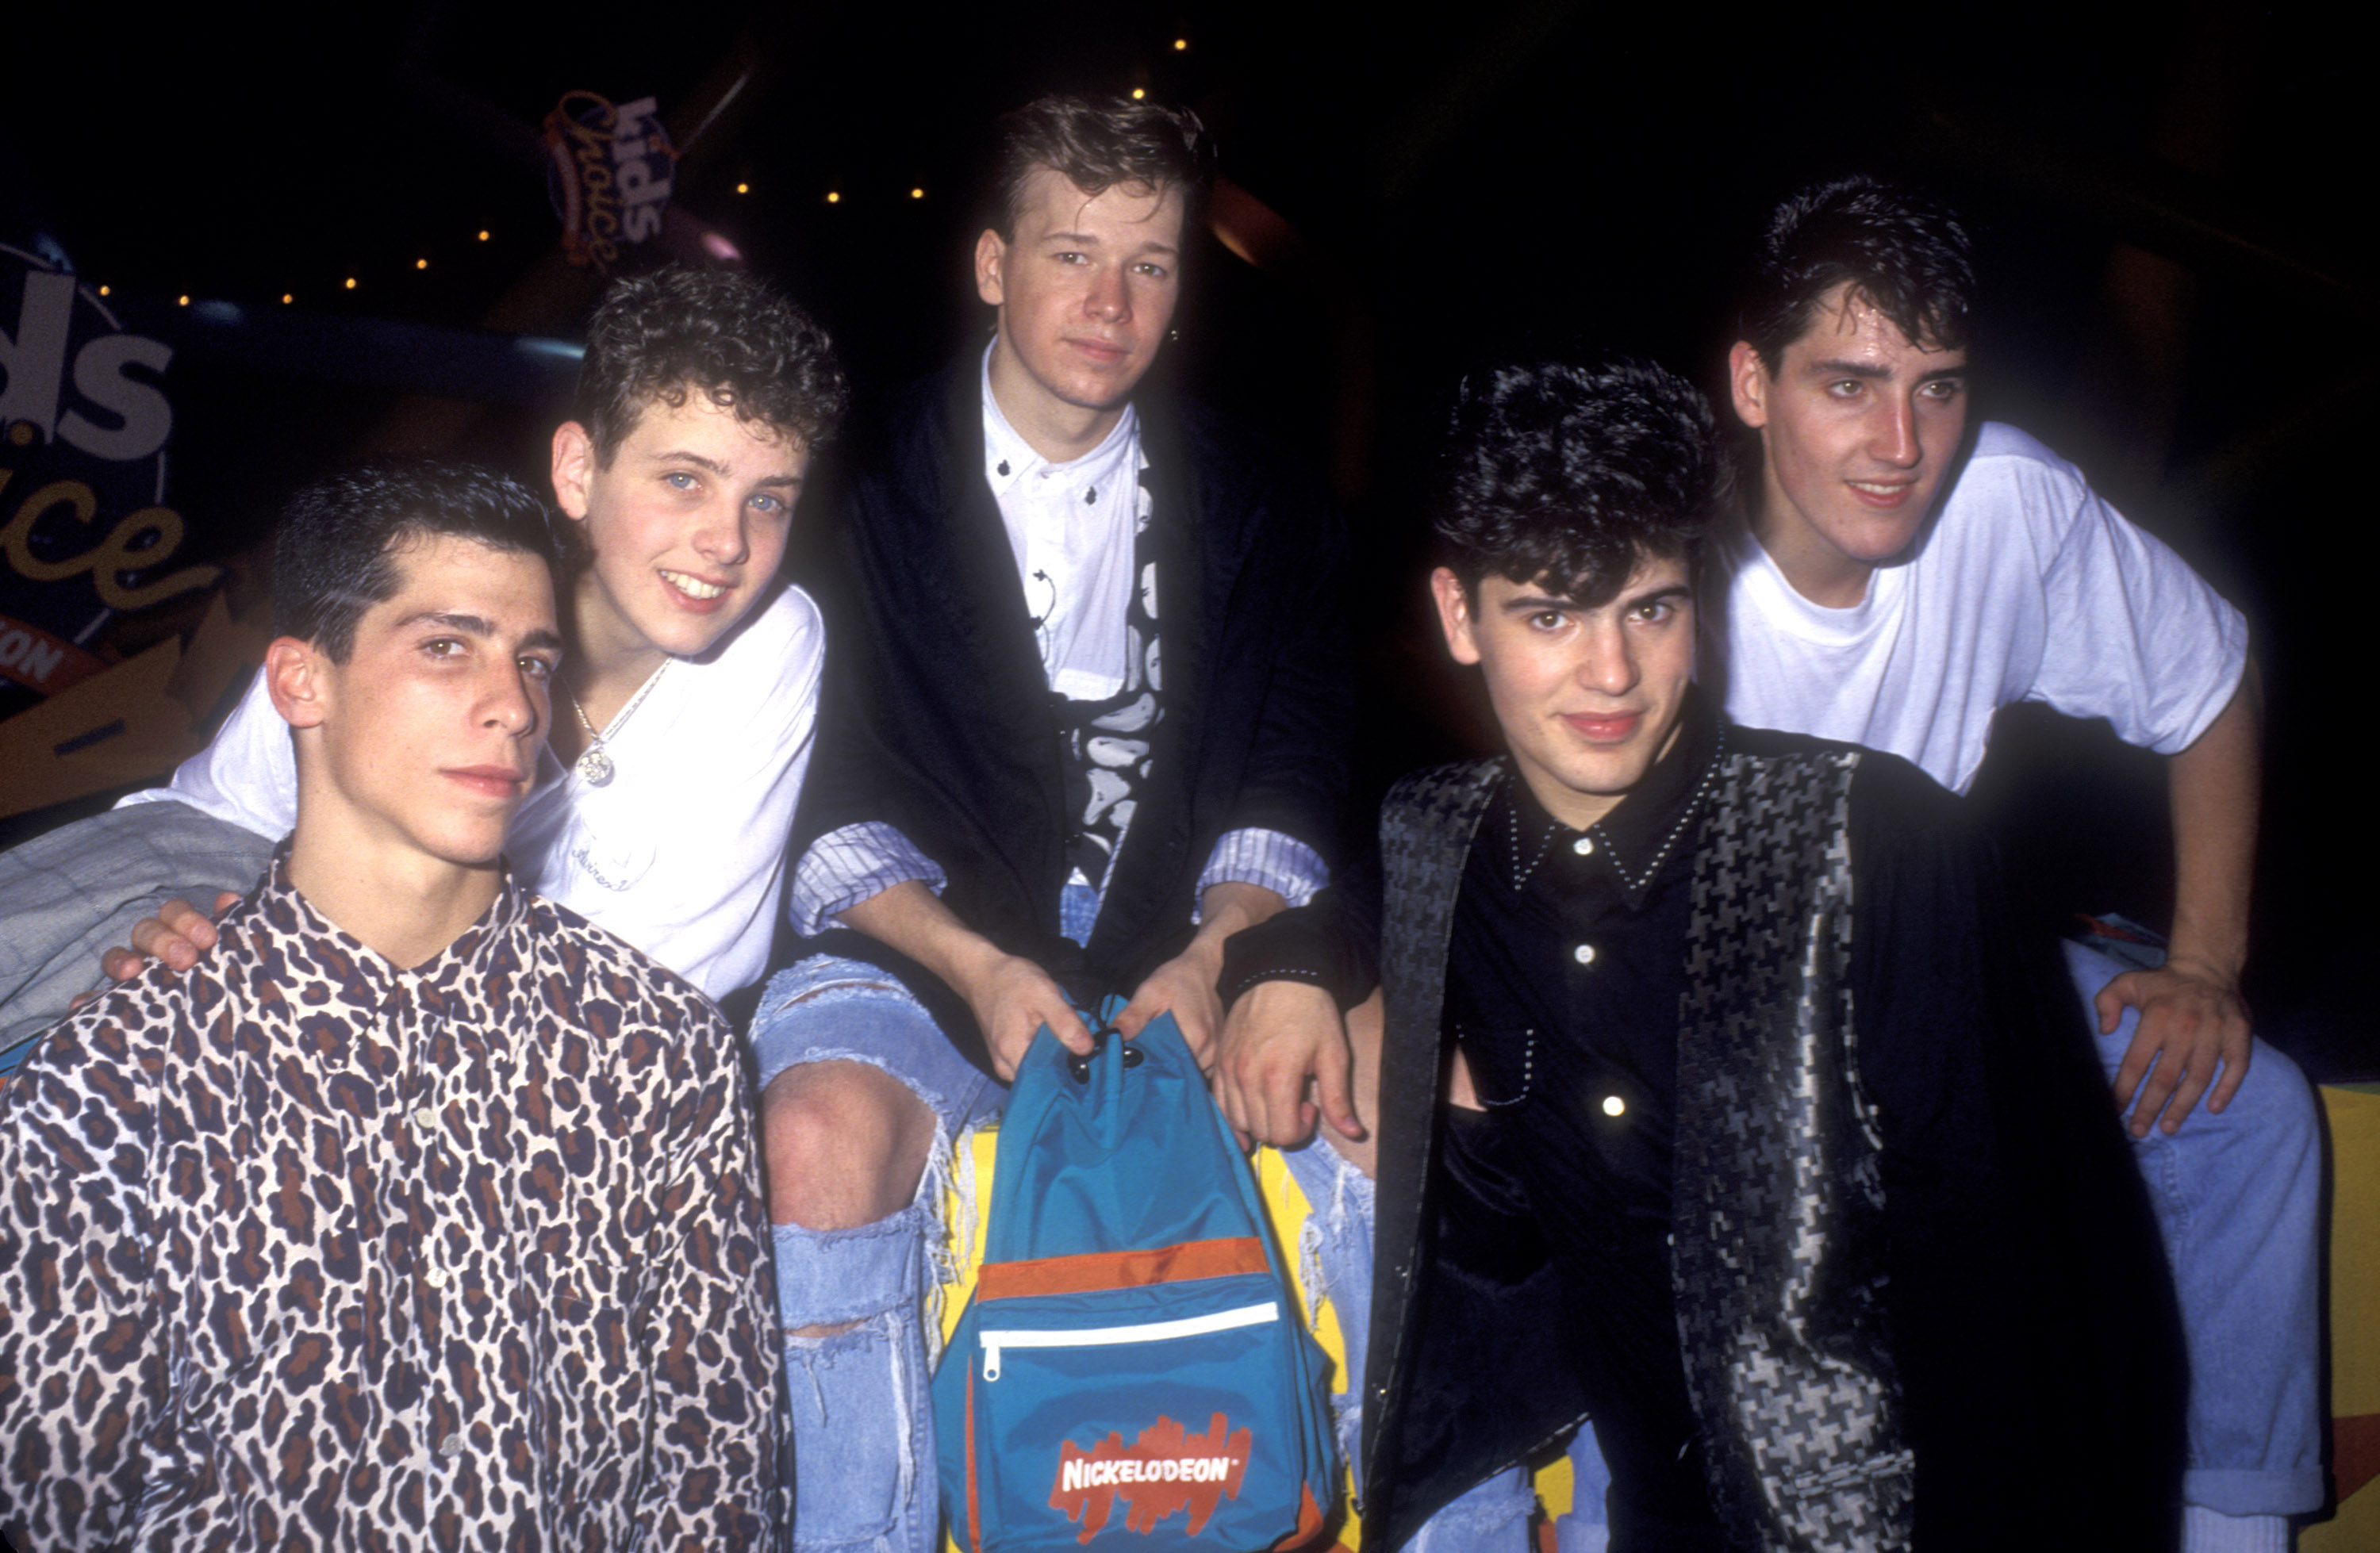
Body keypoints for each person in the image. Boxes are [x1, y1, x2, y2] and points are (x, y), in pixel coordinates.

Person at [1226, 360, 2182, 1551]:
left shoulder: (1880, 845)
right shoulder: (1441, 842)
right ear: (1459, 617)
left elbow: (2021, 1289)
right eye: (1550, 615)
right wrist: (1286, 963)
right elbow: (1363, 889)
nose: (1612, 673)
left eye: (1651, 607)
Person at [749, 94, 1348, 1553]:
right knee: (819, 1133)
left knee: (1367, 1094)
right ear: (990, 265)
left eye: (1148, 264)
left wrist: (1220, 954)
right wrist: (977, 966)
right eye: (1071, 253)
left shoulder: (1259, 493)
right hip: (917, 947)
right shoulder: (855, 480)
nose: (1109, 301)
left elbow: (1295, 759)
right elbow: (827, 800)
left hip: (1176, 952)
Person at [0, 458, 785, 1547]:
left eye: (536, 660)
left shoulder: (656, 1055)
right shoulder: (120, 1074)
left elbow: (721, 1482)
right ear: (300, 680)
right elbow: (58, 1507)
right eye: (445, 646)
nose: (515, 707)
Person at [1708, 176, 2319, 1552]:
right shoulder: (1670, 571)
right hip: (1722, 1024)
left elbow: (2210, 681)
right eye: (1850, 385)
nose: (1900, 443)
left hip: (1941, 969)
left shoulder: (2007, 505)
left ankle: (2227, 1526)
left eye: (1937, 387)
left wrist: (2205, 963)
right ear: (1753, 382)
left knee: (2251, 1111)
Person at [0, 264, 846, 1059]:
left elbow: (663, 992)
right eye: (684, 480)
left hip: (520, 1036)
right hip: (262, 894)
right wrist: (185, 934)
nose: (728, 542)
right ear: (580, 469)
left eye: (767, 499)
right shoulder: (432, 570)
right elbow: (223, 823)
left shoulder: (775, 641)